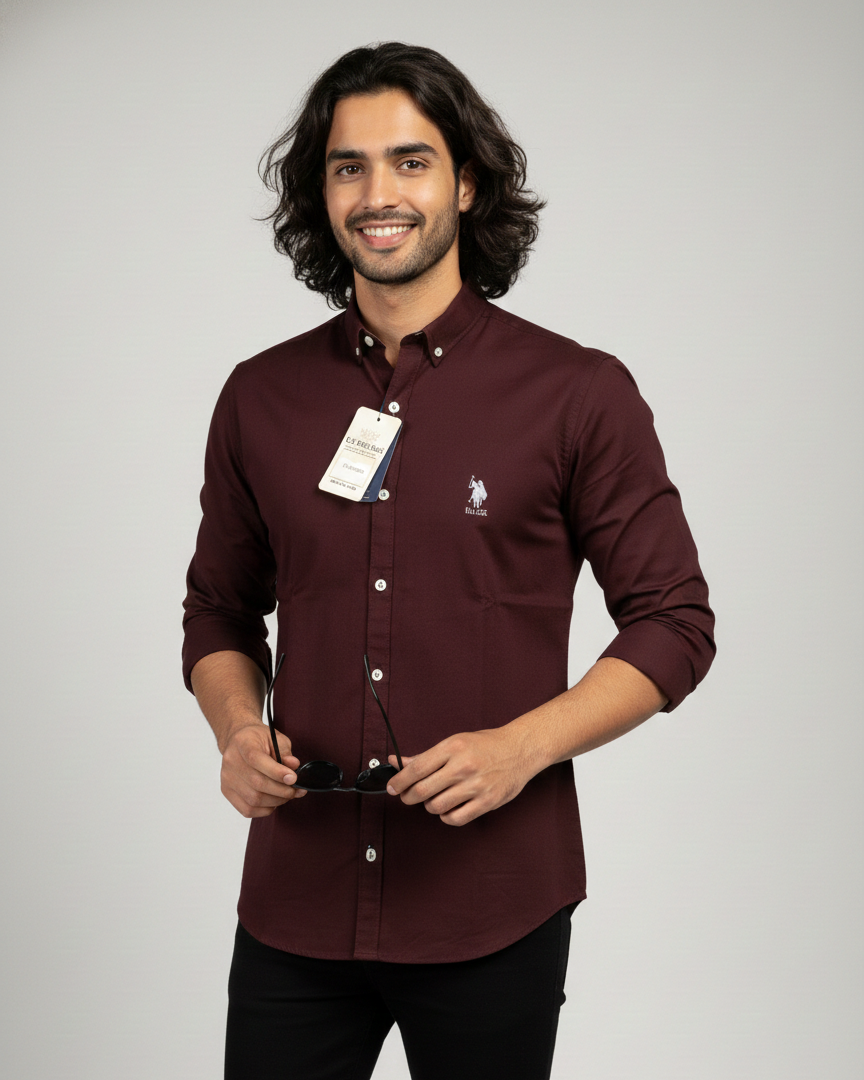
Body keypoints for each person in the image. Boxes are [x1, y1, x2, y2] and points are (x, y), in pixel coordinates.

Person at [182, 41, 715, 1080]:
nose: (379, 193)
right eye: (349, 166)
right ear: (322, 191)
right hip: (297, 903)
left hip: (494, 904)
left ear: (466, 183)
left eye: (410, 161)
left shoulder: (578, 393)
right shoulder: (260, 395)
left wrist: (523, 747)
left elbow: (674, 623)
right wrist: (237, 729)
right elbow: (217, 613)